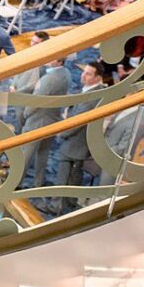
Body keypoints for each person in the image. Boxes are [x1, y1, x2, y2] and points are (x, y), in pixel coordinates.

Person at [51, 60, 107, 216]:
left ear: (97, 78)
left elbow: (76, 123)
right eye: (84, 71)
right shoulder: (97, 91)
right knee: (74, 174)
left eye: (88, 74)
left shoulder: (90, 98)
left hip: (74, 142)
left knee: (63, 175)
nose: (83, 75)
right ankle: (70, 201)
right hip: (82, 143)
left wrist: (61, 133)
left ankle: (56, 206)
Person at [19, 55, 69, 188]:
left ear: (59, 61)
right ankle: (38, 182)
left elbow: (37, 101)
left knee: (26, 155)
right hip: (53, 120)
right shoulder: (66, 73)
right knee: (43, 153)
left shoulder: (49, 79)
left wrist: (25, 113)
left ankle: (15, 182)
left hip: (37, 121)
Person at [11, 30, 49, 95]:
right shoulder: (27, 54)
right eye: (32, 41)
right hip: (15, 89)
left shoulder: (42, 64)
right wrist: (12, 85)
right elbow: (18, 72)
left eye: (36, 43)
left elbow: (32, 86)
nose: (32, 44)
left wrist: (16, 93)